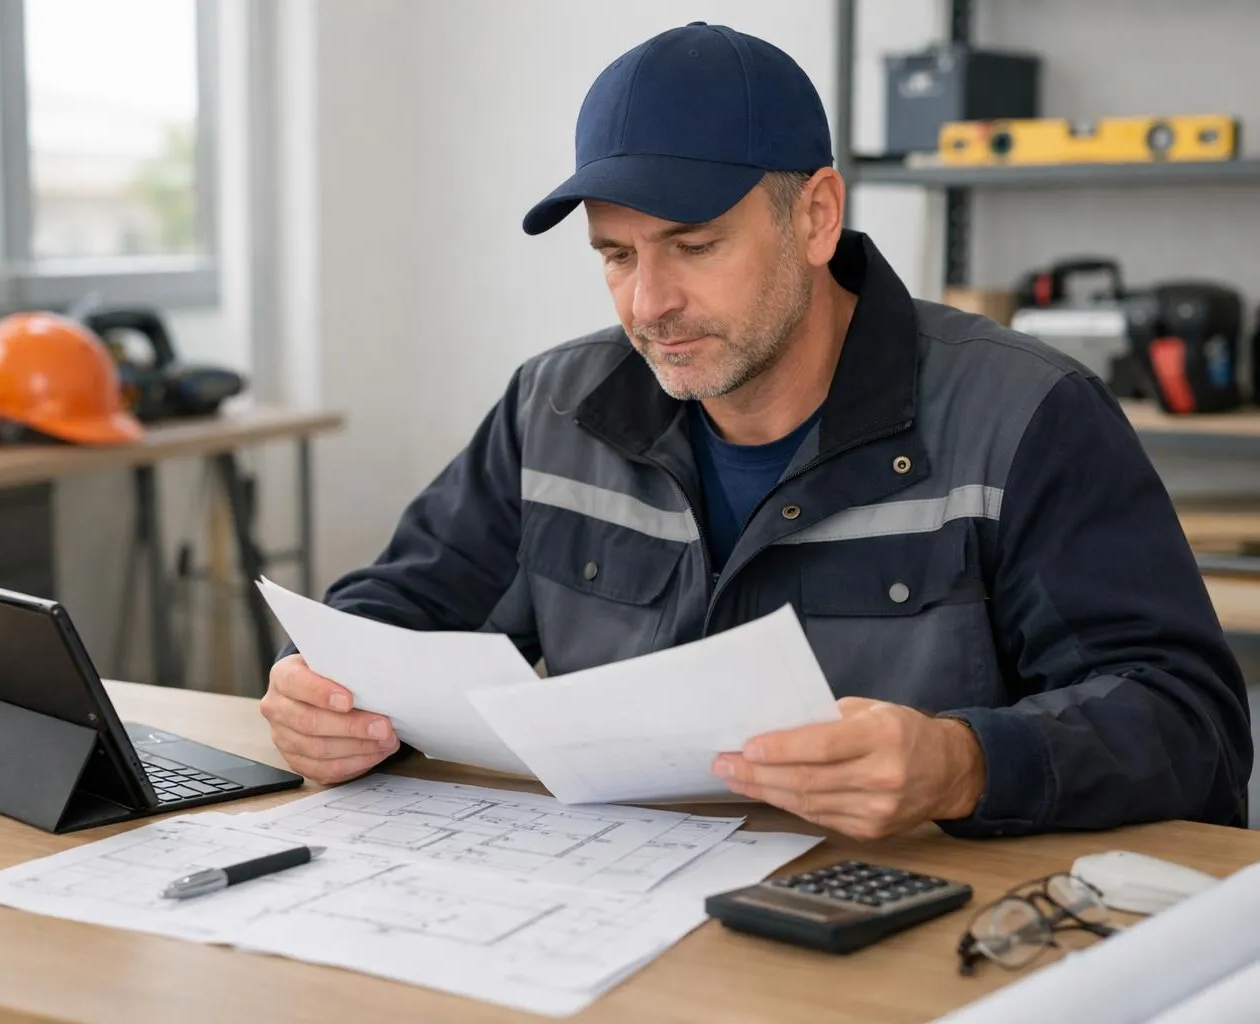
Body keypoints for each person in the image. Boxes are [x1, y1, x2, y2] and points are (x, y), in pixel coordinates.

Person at [260, 22, 1252, 839]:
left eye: (695, 246)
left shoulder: (1027, 417)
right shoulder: (551, 409)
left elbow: (1189, 719)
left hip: (908, 942)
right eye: (615, 254)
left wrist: (965, 763)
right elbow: (396, 614)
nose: (649, 303)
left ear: (816, 217)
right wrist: (329, 703)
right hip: (616, 928)